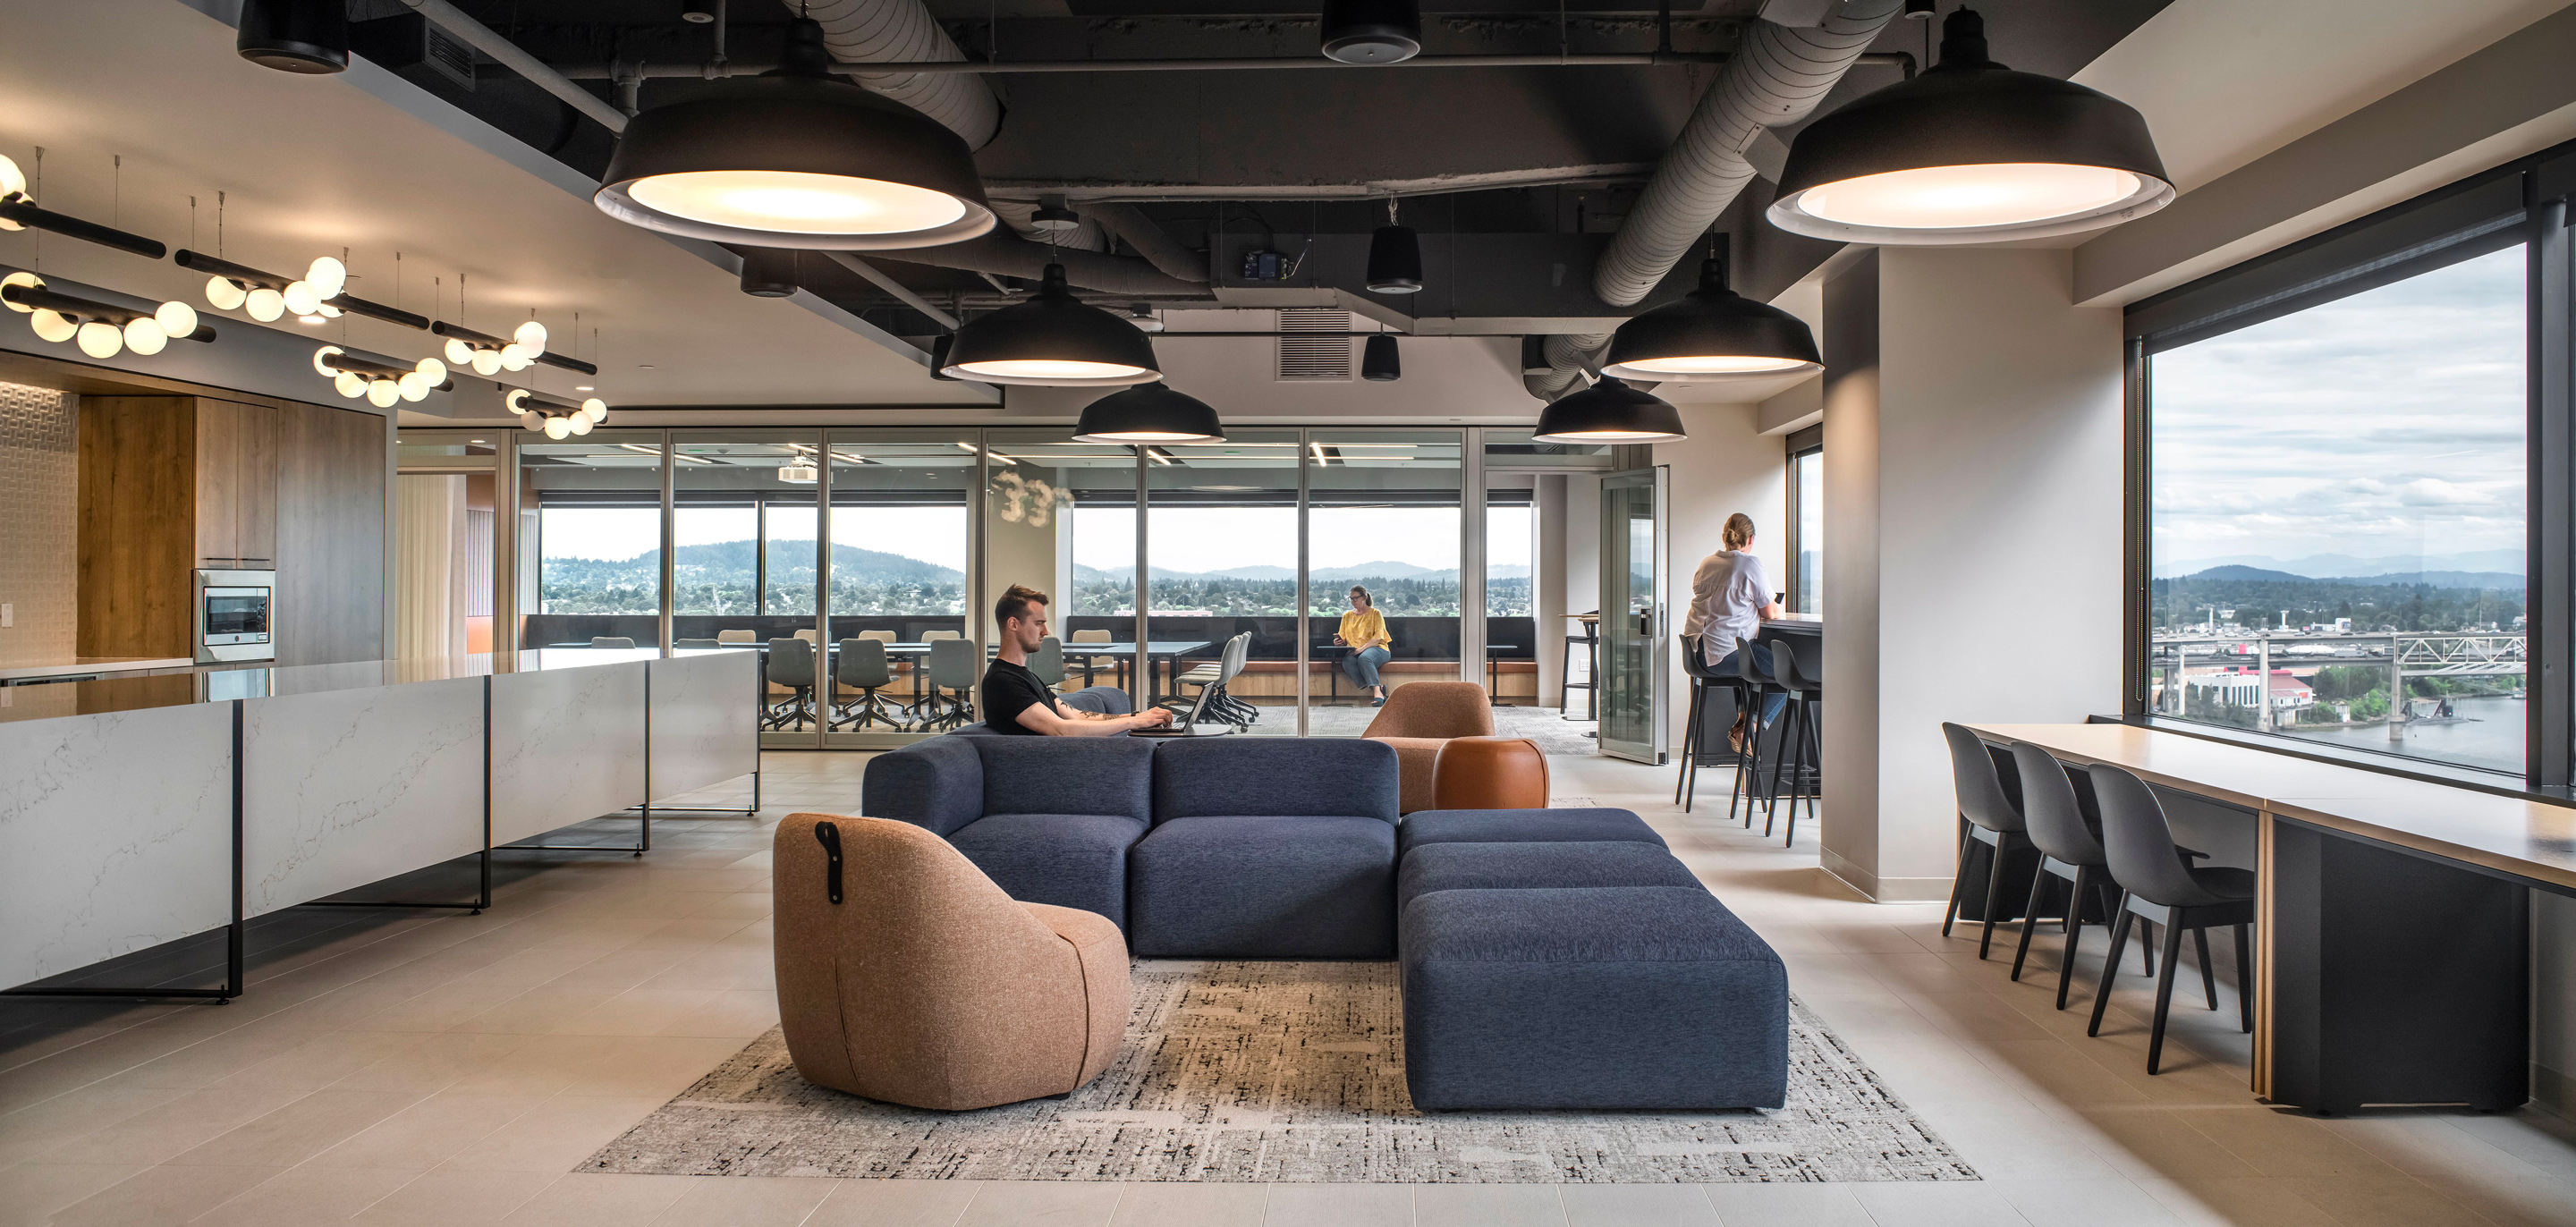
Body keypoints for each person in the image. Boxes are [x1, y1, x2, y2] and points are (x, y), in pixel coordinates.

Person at [982, 585, 1171, 736]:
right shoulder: (1002, 681)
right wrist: (1133, 722)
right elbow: (1060, 729)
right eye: (1039, 623)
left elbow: (1075, 715)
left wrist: (1137, 716)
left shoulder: (1025, 675)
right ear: (1013, 624)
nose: (1046, 631)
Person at [1683, 512, 1786, 752]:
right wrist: (1776, 606)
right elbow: (1770, 612)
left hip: (1697, 653)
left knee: (1748, 673)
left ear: (1726, 537)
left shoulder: (1706, 563)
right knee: (1785, 674)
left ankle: (1742, 721)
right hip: (1726, 653)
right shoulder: (1749, 564)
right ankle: (1748, 729)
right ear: (1751, 539)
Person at [1334, 585, 1394, 707]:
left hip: (1378, 649)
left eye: (1355, 598)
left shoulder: (1375, 613)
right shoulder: (1347, 616)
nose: (1352, 601)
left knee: (1365, 658)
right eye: (1351, 598)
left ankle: (1377, 694)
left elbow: (1378, 638)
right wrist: (1338, 642)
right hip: (1356, 651)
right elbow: (1344, 638)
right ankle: (1378, 688)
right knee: (1348, 662)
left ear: (1364, 597)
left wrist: (1362, 649)